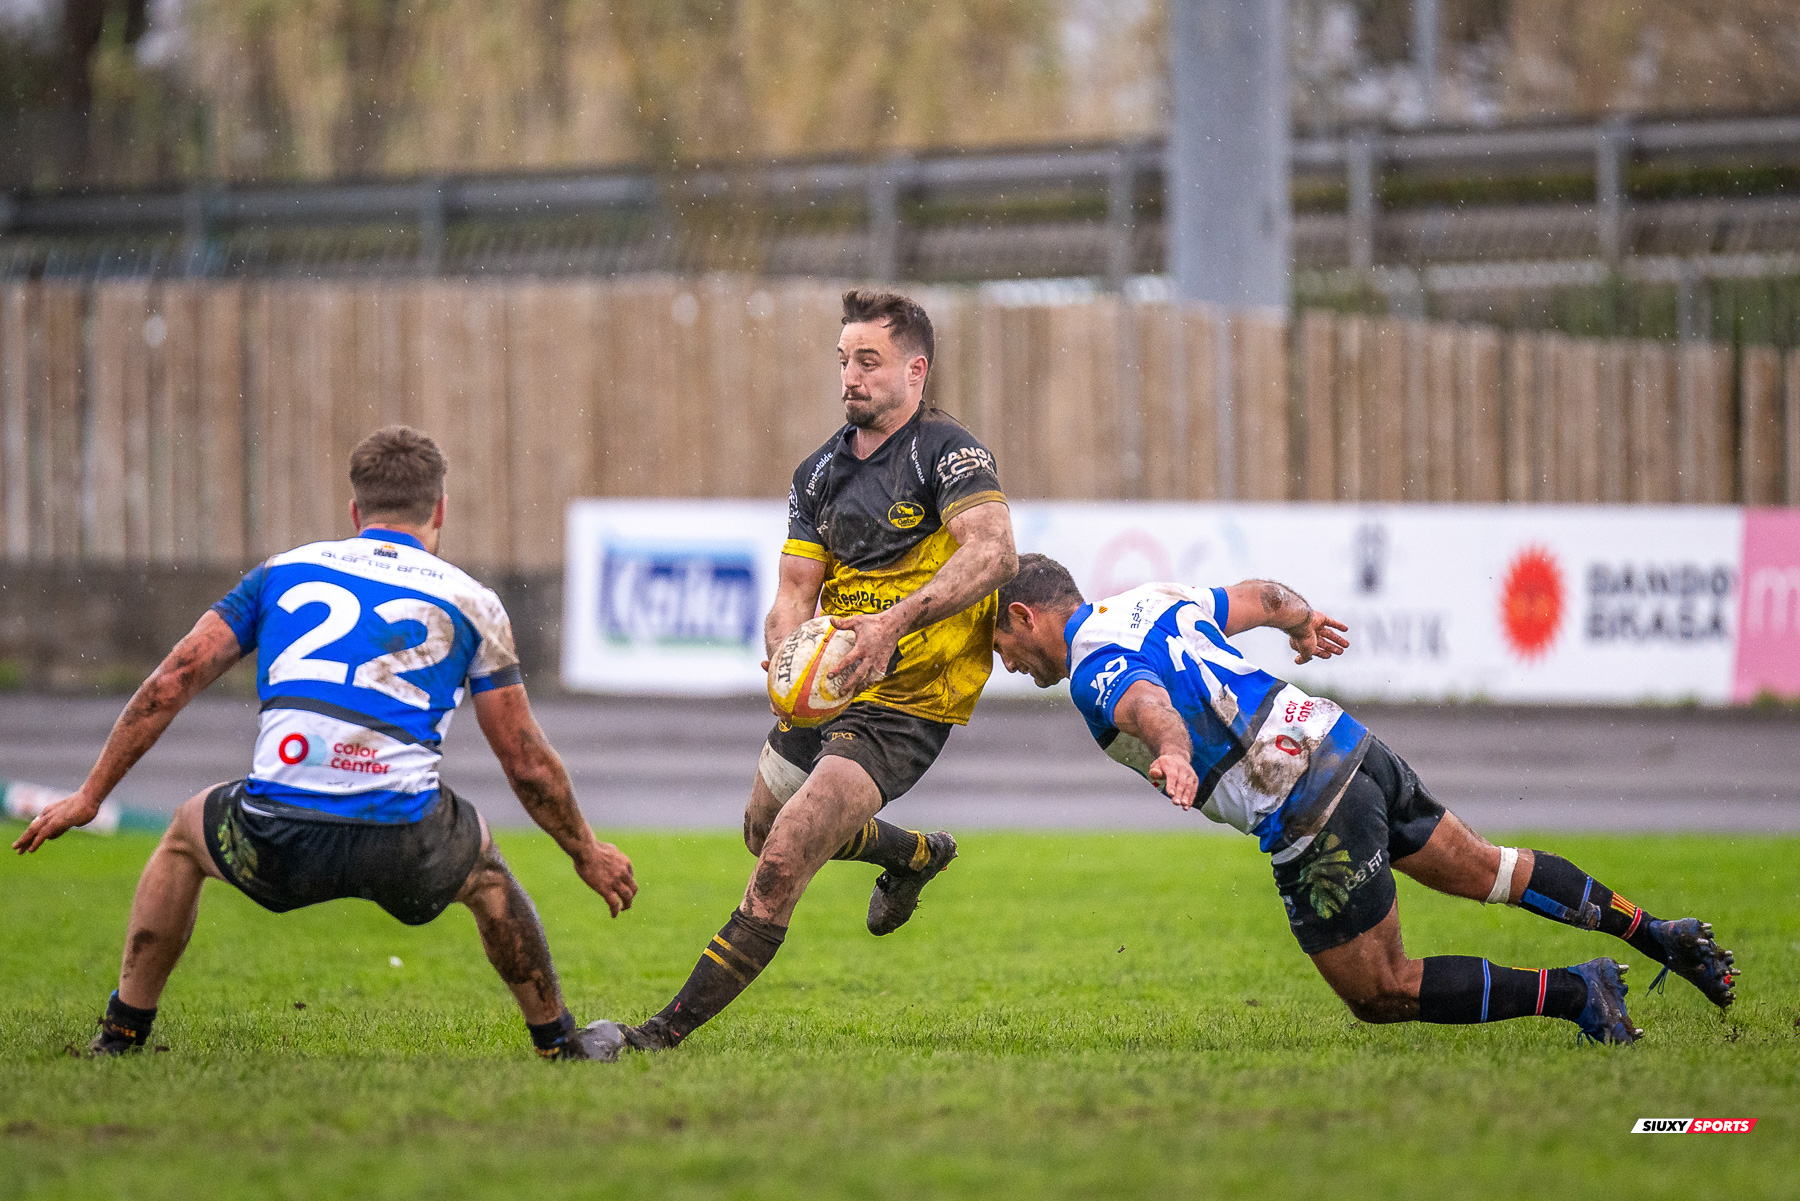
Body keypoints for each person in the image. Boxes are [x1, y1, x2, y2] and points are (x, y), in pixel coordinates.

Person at [12, 426, 638, 1062]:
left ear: (355, 511)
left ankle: (121, 1034)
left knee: (182, 839)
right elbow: (526, 761)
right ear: (440, 509)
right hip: (405, 841)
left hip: (274, 833)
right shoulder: (473, 602)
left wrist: (90, 795)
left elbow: (172, 681)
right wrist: (585, 852)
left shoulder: (280, 573)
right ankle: (559, 1043)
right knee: (487, 877)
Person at [987, 553, 1737, 1044]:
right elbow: (1262, 597)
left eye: (1000, 647)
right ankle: (1657, 934)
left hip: (1308, 807)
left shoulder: (1091, 668)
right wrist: (1303, 621)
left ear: (1025, 615)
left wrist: (1176, 754)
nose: (1007, 664)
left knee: (1380, 990)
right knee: (1492, 869)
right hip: (1346, 743)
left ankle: (1578, 993)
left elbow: (1150, 705)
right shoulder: (1152, 599)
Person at [604, 290, 1018, 1053]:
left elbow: (993, 553)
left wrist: (892, 625)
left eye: (869, 361)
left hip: (909, 698)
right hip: (831, 688)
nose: (850, 376)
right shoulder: (819, 472)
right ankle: (912, 854)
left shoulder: (948, 452)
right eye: (844, 360)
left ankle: (657, 1036)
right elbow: (794, 590)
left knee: (783, 860)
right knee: (762, 830)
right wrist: (786, 651)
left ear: (916, 370)